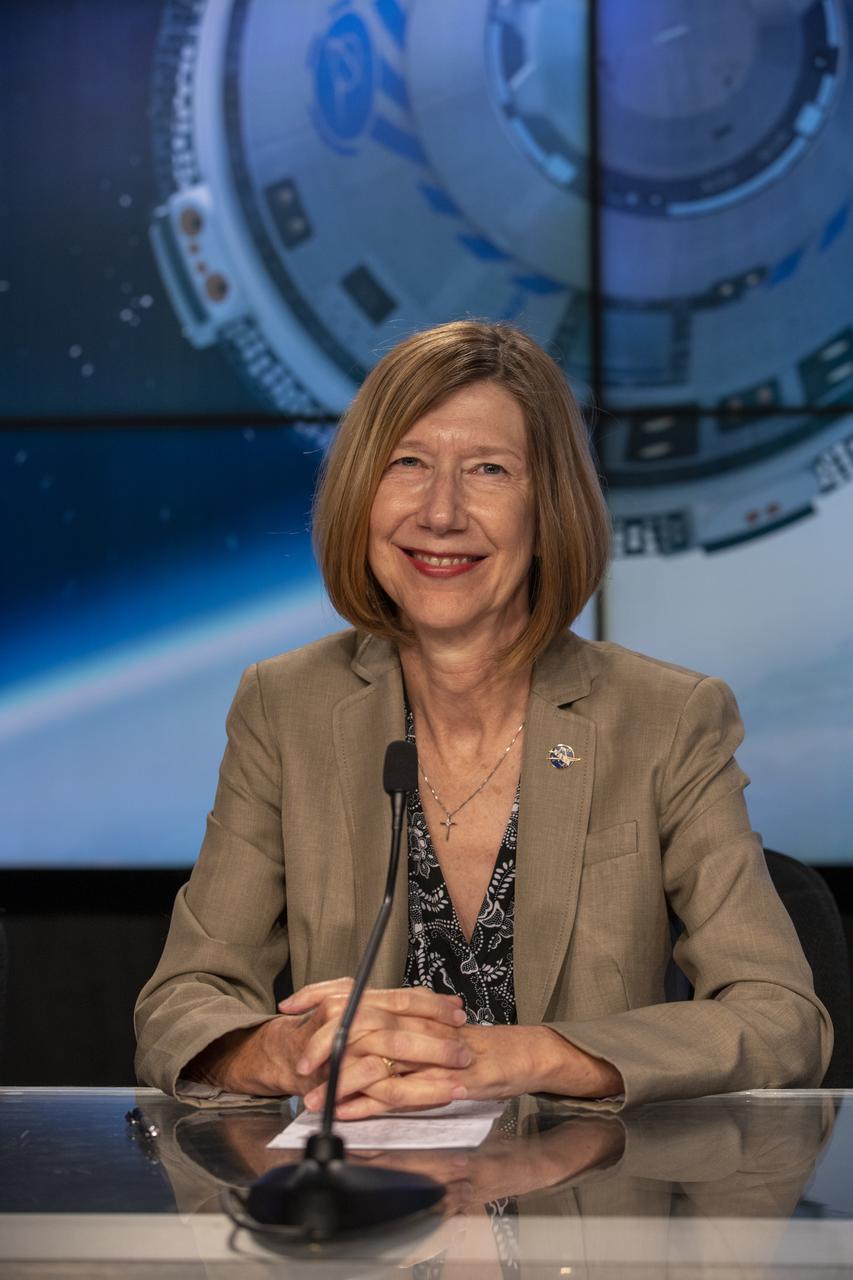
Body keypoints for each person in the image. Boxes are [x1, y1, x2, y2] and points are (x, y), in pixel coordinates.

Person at [135, 320, 832, 1114]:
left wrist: (523, 1055)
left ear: (550, 509)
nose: (440, 513)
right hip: (363, 1214)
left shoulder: (666, 718)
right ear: (362, 494)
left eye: (489, 471)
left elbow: (780, 1021)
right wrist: (279, 1051)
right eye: (408, 464)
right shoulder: (285, 706)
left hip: (589, 1214)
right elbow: (182, 1000)